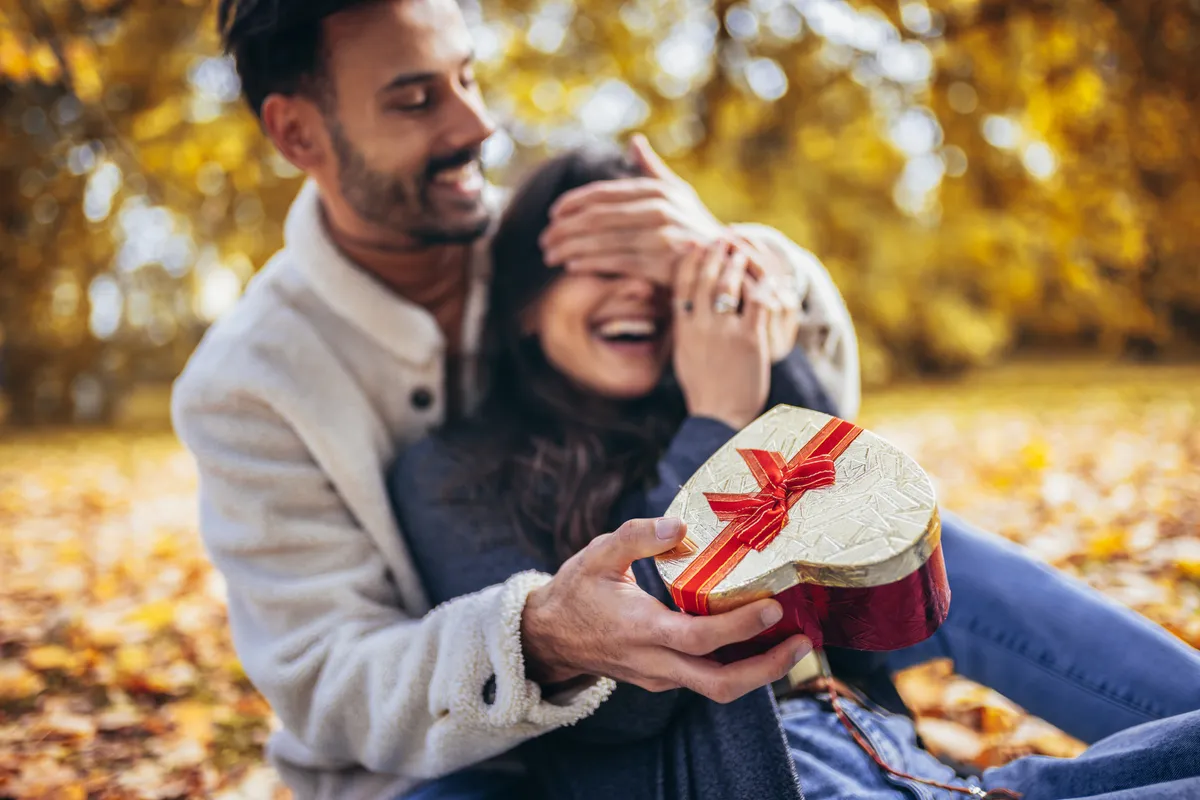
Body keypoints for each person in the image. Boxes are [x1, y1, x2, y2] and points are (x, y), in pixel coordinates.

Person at [171, 1, 858, 799]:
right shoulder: (245, 386)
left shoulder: (553, 241)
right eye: (416, 98)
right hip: (444, 775)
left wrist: (741, 266)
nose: (478, 123)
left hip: (679, 705)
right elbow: (329, 679)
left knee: (952, 561)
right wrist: (538, 639)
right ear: (298, 134)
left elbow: (820, 453)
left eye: (467, 76)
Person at [389, 149, 1200, 800]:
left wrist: (758, 335)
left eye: (658, 267)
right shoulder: (449, 473)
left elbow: (860, 511)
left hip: (918, 770)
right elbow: (609, 709)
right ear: (525, 304)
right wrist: (715, 421)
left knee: (924, 536)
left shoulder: (724, 379)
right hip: (767, 775)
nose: (638, 288)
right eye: (599, 266)